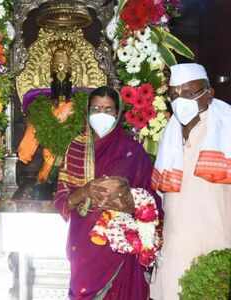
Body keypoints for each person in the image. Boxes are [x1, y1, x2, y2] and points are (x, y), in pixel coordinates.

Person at [54, 86, 163, 299]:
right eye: (96, 109)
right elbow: (61, 200)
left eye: (108, 110)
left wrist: (128, 202)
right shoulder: (76, 148)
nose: (102, 115)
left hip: (122, 248)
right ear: (87, 112)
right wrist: (84, 191)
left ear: (118, 113)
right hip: (84, 245)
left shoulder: (133, 151)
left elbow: (152, 202)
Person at [150, 63, 231, 299]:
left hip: (215, 246)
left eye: (189, 93)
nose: (180, 100)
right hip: (174, 250)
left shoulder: (226, 129)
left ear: (209, 93)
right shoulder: (170, 133)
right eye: (174, 94)